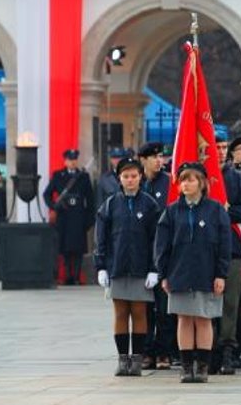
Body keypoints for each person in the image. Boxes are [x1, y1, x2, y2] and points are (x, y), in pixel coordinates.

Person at [155, 162, 231, 383]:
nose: (186, 184)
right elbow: (162, 246)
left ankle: (203, 367)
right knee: (184, 319)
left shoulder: (215, 210)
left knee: (204, 318)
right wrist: (163, 274)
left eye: (191, 179)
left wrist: (221, 274)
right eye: (183, 180)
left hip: (206, 273)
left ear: (202, 183)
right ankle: (186, 367)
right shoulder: (171, 211)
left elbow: (224, 245)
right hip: (179, 272)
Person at [94, 157, 160, 376]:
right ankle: (123, 359)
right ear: (119, 178)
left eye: (134, 176)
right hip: (118, 266)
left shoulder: (150, 204)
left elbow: (155, 239)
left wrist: (154, 268)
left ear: (140, 177)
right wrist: (101, 266)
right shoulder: (110, 204)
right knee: (121, 312)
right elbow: (101, 238)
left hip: (142, 268)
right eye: (125, 176)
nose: (130, 180)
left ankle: (138, 359)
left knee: (139, 312)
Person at [215, 136, 241, 375]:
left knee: (231, 303)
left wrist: (225, 213)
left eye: (223, 148)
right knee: (207, 303)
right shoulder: (200, 177)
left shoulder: (238, 179)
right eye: (215, 148)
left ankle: (228, 349)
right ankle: (207, 351)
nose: (220, 152)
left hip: (232, 249)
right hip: (204, 252)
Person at [138, 142, 174, 370]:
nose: (159, 161)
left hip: (164, 252)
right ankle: (146, 351)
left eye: (161, 156)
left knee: (164, 308)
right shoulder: (136, 183)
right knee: (143, 308)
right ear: (143, 159)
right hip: (141, 252)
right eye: (154, 157)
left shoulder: (169, 183)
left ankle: (164, 352)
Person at [43, 149, 95, 285]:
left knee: (78, 249)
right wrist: (54, 207)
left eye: (74, 160)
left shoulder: (83, 176)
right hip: (64, 216)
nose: (72, 162)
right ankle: (67, 277)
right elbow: (47, 194)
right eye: (70, 160)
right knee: (65, 249)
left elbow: (90, 199)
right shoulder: (58, 175)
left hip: (78, 216)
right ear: (65, 161)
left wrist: (89, 219)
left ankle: (77, 277)